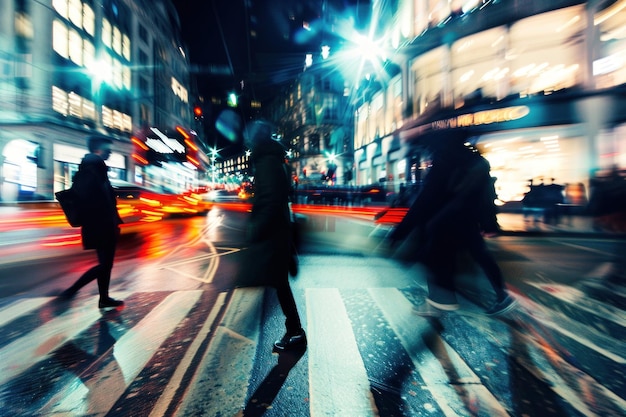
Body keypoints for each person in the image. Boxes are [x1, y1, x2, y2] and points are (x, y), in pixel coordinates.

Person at [389, 131, 515, 316]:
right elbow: (486, 194)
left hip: (446, 220)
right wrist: (489, 224)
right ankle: (502, 296)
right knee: (480, 255)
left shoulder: (443, 161)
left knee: (434, 254)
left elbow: (426, 199)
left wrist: (401, 231)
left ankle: (441, 300)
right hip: (468, 218)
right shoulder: (477, 160)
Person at [243, 120, 306, 351]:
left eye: (251, 135)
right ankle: (295, 330)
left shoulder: (267, 162)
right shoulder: (273, 159)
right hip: (279, 230)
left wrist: (256, 227)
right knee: (279, 282)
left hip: (274, 232)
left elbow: (269, 198)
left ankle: (296, 331)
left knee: (279, 283)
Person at [60, 136, 124, 309]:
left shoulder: (97, 169)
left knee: (106, 264)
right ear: (98, 150)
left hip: (104, 224)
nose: (110, 151)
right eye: (107, 148)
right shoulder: (91, 170)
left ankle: (104, 298)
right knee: (104, 264)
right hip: (99, 224)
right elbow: (88, 198)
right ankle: (72, 290)